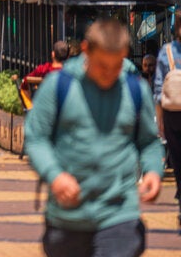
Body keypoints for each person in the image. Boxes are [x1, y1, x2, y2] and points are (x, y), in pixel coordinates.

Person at [26, 18, 162, 257]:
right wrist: (54, 176)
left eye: (117, 65)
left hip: (120, 215)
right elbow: (36, 138)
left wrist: (153, 171)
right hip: (68, 219)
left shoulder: (135, 89)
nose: (109, 74)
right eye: (102, 65)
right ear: (87, 49)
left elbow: (149, 142)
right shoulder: (58, 85)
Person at [154, 21, 181, 234]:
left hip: (173, 112)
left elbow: (157, 90)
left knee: (178, 159)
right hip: (172, 113)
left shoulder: (167, 52)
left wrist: (159, 121)